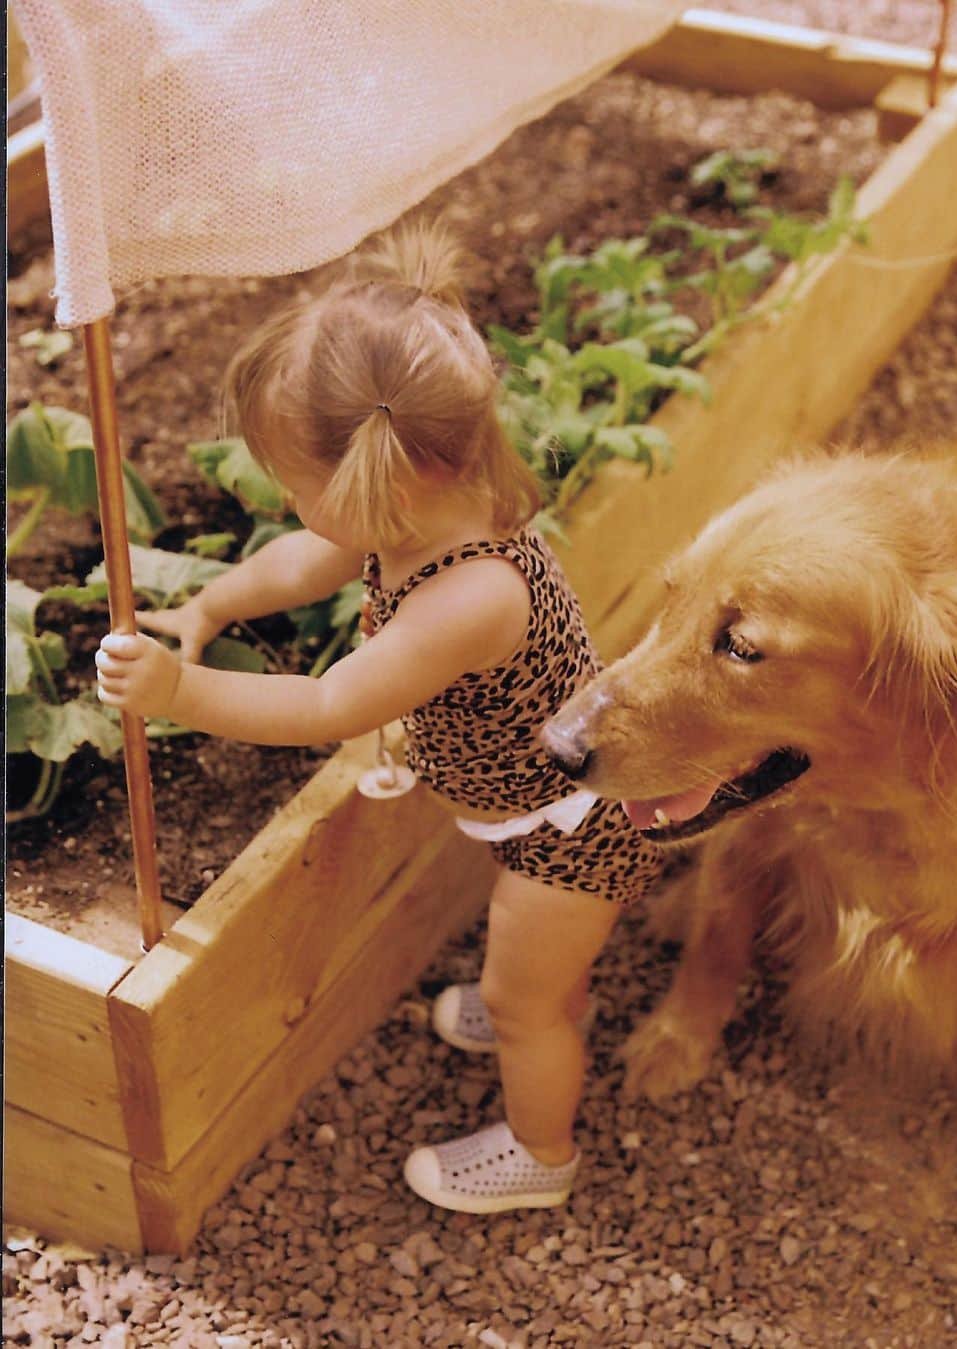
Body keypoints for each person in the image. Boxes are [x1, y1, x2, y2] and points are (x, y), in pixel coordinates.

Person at [95, 220, 666, 1214]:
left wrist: (178, 693)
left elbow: (328, 702)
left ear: (375, 485)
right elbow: (297, 560)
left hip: (568, 835)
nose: (283, 498)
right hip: (531, 811)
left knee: (524, 1001)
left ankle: (543, 1151)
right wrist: (209, 608)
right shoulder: (426, 506)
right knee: (531, 976)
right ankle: (539, 990)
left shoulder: (470, 595)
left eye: (295, 485)